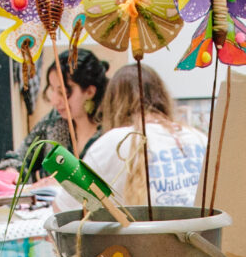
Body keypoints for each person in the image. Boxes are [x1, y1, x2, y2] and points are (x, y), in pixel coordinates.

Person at [82, 62, 210, 207]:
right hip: (199, 230)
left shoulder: (112, 144)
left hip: (141, 230)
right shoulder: (199, 138)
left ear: (112, 103)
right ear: (162, 95)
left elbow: (65, 208)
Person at [27, 46, 109, 156]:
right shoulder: (54, 120)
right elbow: (18, 158)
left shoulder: (110, 130)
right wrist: (12, 169)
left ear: (90, 92)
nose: (54, 101)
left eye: (63, 93)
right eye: (52, 89)